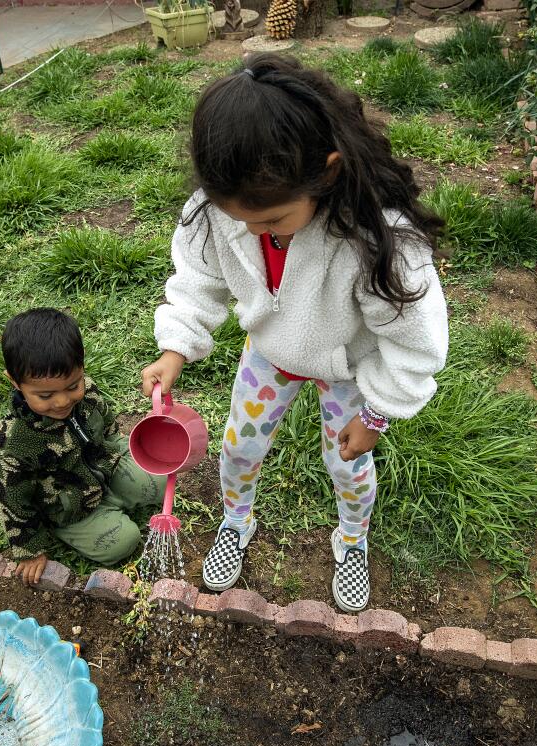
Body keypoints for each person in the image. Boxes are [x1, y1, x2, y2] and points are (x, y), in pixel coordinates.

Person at [140, 54, 449, 612]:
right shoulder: (217, 212)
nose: (256, 230)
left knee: (349, 463)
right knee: (239, 445)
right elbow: (198, 279)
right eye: (242, 221)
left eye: (273, 220)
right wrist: (175, 348)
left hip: (348, 368)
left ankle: (351, 539)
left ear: (326, 173)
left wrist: (376, 414)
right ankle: (236, 520)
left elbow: (413, 343)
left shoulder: (378, 240)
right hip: (270, 353)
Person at [0, 308, 164, 586]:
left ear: (81, 369)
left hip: (104, 468)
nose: (61, 402)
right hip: (69, 509)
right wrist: (30, 549)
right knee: (123, 543)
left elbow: (107, 427)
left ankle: (118, 495)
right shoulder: (11, 447)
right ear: (14, 381)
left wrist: (122, 453)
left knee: (160, 483)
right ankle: (76, 527)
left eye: (73, 386)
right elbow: (14, 503)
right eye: (45, 395)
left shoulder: (89, 392)